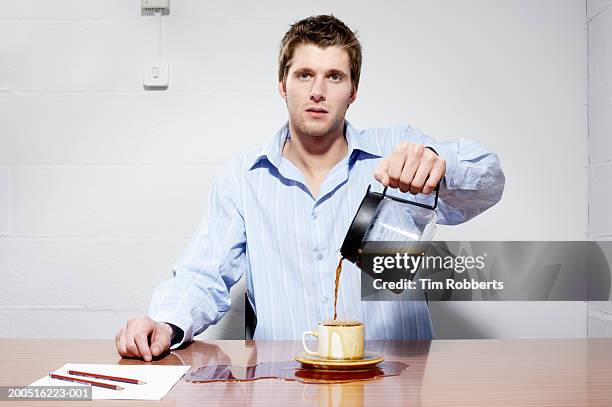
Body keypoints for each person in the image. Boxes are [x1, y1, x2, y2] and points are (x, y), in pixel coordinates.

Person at [116, 14, 505, 361]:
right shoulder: (243, 177)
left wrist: (441, 163)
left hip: (393, 381)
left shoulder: (398, 150)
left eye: (334, 76)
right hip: (284, 384)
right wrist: (165, 322)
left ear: (353, 91)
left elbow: (488, 179)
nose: (318, 91)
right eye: (304, 75)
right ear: (283, 85)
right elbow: (203, 273)